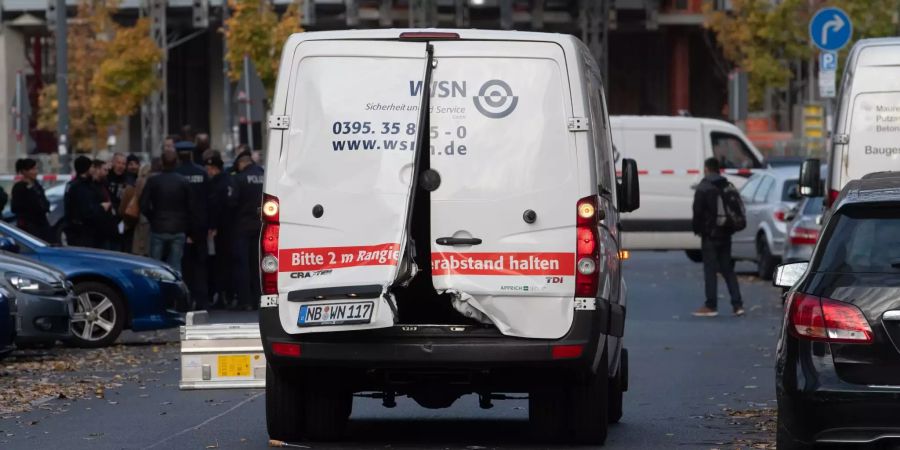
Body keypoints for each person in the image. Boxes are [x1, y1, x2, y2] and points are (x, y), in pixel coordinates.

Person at [691, 157, 744, 317]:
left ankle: (711, 305)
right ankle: (738, 305)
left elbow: (697, 211)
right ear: (719, 169)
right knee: (728, 269)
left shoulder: (704, 186)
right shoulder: (728, 185)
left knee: (710, 270)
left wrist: (698, 230)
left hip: (710, 235)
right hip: (726, 233)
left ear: (707, 169)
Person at [140, 150, 193, 274]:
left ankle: (155, 291)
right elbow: (191, 206)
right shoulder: (183, 181)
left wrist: (152, 217)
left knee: (154, 266)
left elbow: (143, 204)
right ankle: (175, 291)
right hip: (178, 227)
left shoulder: (153, 181)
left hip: (158, 226)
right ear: (176, 163)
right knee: (176, 265)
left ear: (162, 163)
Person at [175, 141, 210, 310]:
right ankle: (203, 300)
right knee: (201, 265)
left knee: (184, 265)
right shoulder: (202, 173)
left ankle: (185, 301)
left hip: (181, 226)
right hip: (201, 226)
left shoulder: (176, 174)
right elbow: (209, 199)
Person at [232, 149, 264, 311]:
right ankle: (260, 298)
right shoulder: (265, 175)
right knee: (258, 264)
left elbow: (232, 203)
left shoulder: (239, 179)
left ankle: (245, 300)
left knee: (242, 264)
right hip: (261, 225)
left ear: (241, 163)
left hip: (242, 226)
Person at [204, 150, 236, 309]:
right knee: (228, 264)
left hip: (220, 230)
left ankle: (222, 296)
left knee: (219, 264)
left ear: (214, 169)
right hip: (231, 228)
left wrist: (212, 226)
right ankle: (229, 295)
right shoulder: (230, 180)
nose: (208, 172)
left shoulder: (216, 183)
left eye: (210, 169)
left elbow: (215, 207)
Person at [64, 156, 111, 247]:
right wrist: (101, 207)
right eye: (92, 167)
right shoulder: (81, 187)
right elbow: (86, 210)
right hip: (82, 233)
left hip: (77, 231)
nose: (93, 170)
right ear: (86, 169)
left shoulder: (74, 184)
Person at [11, 158, 51, 241]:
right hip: (29, 226)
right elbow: (15, 207)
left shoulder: (37, 185)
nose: (35, 172)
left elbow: (43, 200)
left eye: (36, 169)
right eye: (32, 169)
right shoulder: (19, 187)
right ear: (24, 171)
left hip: (42, 224)